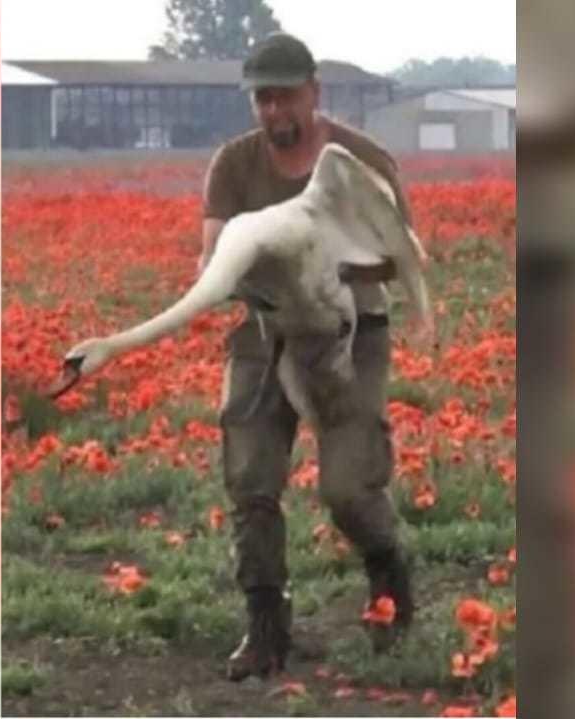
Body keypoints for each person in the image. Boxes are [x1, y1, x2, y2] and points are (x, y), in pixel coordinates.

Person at [199, 32, 423, 681]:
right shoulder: (234, 167)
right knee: (251, 479)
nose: (274, 112)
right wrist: (262, 275)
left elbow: (401, 253)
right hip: (265, 331)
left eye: (285, 97)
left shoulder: (362, 159)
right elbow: (214, 257)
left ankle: (388, 580)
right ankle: (266, 626)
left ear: (314, 92)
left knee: (349, 488)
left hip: (350, 332)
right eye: (262, 100)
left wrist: (326, 267)